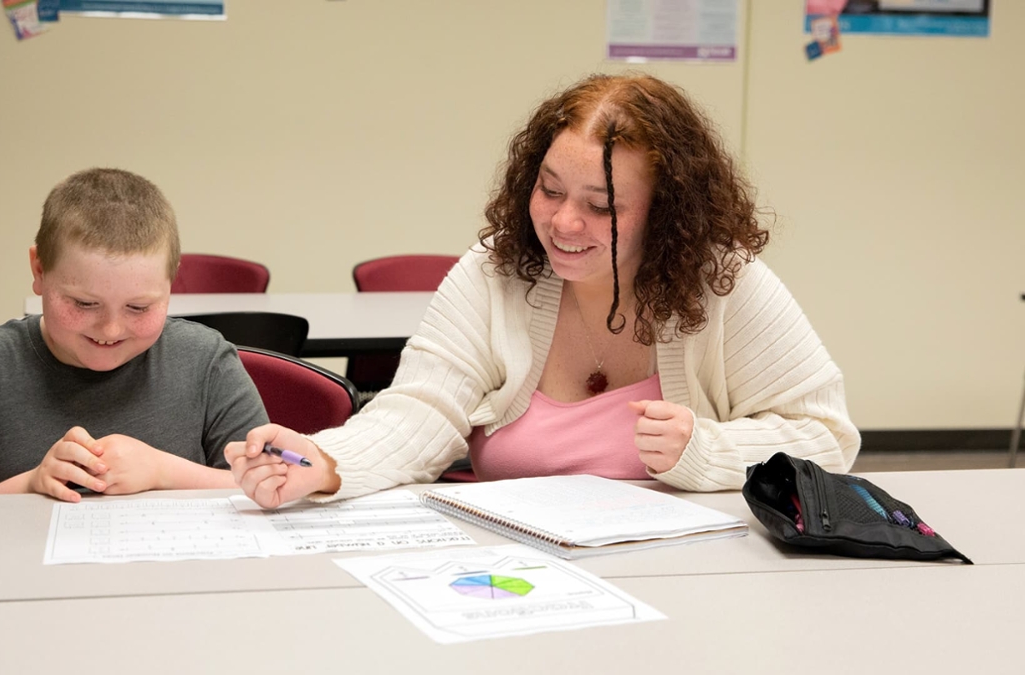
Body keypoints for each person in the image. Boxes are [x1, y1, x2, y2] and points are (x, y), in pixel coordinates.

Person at [227, 73, 860, 509]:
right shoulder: (494, 271)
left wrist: (707, 450)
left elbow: (828, 439)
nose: (562, 223)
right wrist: (325, 462)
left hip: (692, 574)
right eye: (550, 190)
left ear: (668, 213)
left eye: (601, 206)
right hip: (517, 570)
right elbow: (421, 410)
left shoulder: (723, 282)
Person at [0, 168, 268, 501]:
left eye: (138, 308)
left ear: (170, 283)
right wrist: (29, 485)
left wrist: (163, 472)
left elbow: (271, 485)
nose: (110, 330)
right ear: (39, 270)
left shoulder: (205, 362)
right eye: (83, 304)